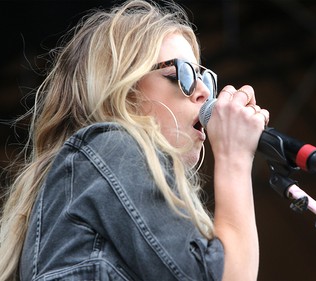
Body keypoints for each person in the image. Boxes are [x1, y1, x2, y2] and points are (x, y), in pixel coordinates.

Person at [0, 0, 269, 280]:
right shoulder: (111, 147)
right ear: (125, 90)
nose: (203, 92)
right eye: (182, 74)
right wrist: (234, 157)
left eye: (205, 78)